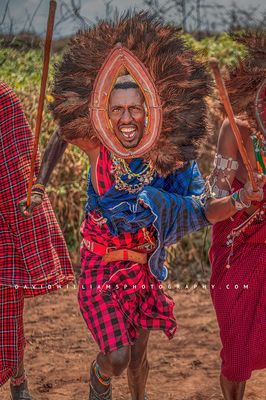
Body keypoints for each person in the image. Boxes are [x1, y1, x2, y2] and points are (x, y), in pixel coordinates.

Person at [20, 12, 213, 400]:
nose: (126, 118)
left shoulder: (166, 155)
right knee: (119, 356)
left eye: (135, 109)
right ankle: (100, 376)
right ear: (106, 113)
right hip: (99, 261)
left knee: (139, 355)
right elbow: (62, 133)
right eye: (118, 109)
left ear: (150, 112)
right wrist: (41, 181)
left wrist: (240, 199)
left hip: (143, 262)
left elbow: (197, 200)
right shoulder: (99, 146)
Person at [0, 81, 74, 400]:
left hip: (2, 220)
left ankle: (18, 378)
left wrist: (28, 205)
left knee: (6, 307)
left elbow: (17, 171)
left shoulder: (3, 100)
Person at [204, 31, 266, 400]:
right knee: (237, 357)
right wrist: (244, 196)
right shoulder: (237, 128)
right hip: (236, 252)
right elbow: (212, 208)